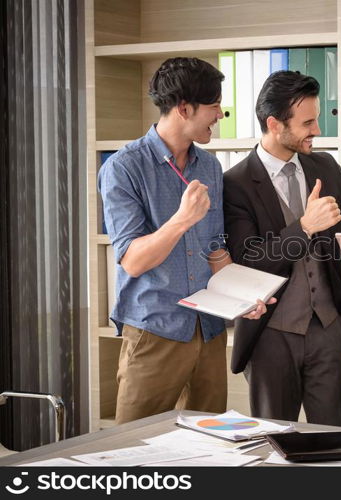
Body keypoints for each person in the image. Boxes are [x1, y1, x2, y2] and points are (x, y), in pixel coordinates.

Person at [98, 57, 270, 424]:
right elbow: (132, 259)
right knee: (137, 449)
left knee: (210, 447)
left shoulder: (209, 167)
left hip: (207, 332)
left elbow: (215, 249)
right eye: (213, 106)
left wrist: (241, 297)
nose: (219, 115)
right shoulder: (124, 167)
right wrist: (181, 220)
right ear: (184, 108)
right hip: (154, 331)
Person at [223, 71, 341, 426]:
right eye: (308, 122)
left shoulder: (325, 166)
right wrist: (305, 226)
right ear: (275, 124)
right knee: (275, 440)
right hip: (270, 335)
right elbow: (247, 262)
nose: (318, 131)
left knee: (337, 439)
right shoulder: (234, 184)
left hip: (329, 328)